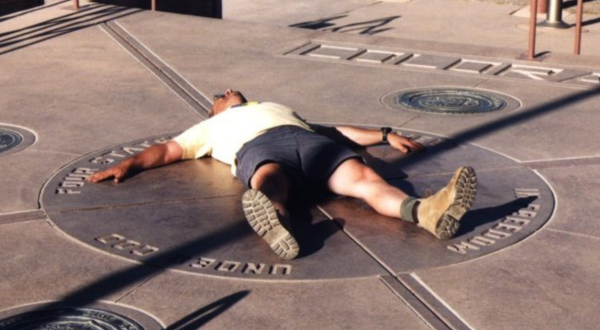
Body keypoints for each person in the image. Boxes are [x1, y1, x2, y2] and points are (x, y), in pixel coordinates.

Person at [88, 89, 477, 260]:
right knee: (269, 179)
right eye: (219, 95)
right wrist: (129, 163)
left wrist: (385, 135)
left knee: (364, 179)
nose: (227, 91)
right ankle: (276, 220)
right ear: (216, 110)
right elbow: (168, 150)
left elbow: (334, 131)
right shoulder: (209, 128)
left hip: (307, 141)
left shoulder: (274, 105)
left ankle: (426, 211)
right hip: (260, 147)